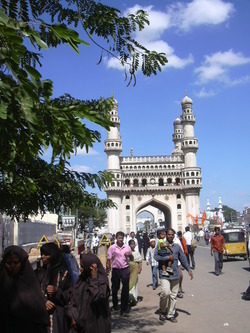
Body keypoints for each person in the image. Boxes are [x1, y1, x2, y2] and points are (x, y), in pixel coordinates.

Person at [0, 245, 49, 333]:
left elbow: (40, 318)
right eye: (9, 263)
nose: (12, 266)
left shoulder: (31, 286)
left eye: (16, 263)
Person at [154, 228, 193, 323]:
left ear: (174, 236)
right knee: (165, 292)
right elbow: (156, 256)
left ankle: (170, 314)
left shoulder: (177, 247)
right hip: (165, 273)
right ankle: (162, 311)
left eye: (172, 234)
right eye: (169, 234)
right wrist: (167, 257)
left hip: (175, 273)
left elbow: (183, 258)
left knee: (173, 296)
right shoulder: (161, 245)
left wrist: (188, 269)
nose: (170, 236)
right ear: (166, 235)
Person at [66, 253, 111, 332]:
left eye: (83, 266)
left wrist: (93, 279)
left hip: (95, 326)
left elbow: (97, 298)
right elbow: (73, 299)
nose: (80, 269)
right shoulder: (81, 280)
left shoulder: (101, 281)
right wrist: (72, 317)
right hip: (79, 326)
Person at [35, 242, 73, 333]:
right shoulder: (37, 274)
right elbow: (31, 293)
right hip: (41, 317)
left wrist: (57, 291)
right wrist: (44, 301)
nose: (43, 257)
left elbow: (70, 296)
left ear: (53, 255)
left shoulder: (64, 274)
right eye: (42, 254)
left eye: (46, 254)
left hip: (58, 317)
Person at [106, 231, 134, 317]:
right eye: (119, 238)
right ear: (116, 238)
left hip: (125, 269)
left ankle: (124, 309)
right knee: (115, 288)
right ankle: (115, 304)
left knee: (125, 289)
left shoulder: (127, 247)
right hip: (115, 270)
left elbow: (132, 259)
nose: (120, 240)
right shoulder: (112, 248)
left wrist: (129, 255)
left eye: (122, 238)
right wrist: (107, 269)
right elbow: (108, 259)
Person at [128, 239, 142, 306]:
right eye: (131, 244)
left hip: (135, 270)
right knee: (129, 284)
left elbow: (140, 261)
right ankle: (130, 298)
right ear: (129, 245)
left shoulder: (137, 253)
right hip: (128, 270)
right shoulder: (127, 252)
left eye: (133, 244)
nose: (132, 245)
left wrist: (140, 268)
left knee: (134, 284)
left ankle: (134, 299)